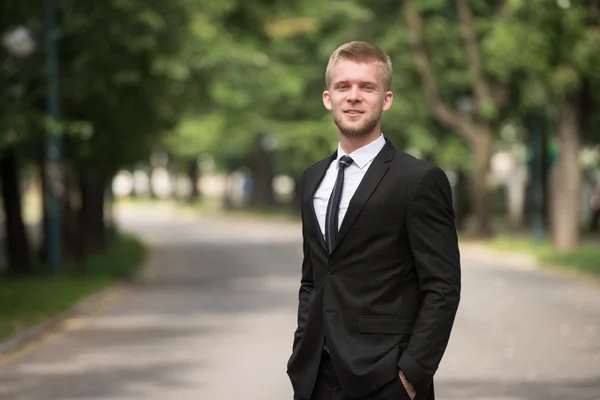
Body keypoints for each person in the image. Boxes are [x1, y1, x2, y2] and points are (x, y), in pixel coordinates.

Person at [286, 41, 461, 400]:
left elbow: (443, 286)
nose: (353, 96)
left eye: (367, 87)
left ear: (387, 99)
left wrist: (413, 374)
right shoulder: (311, 179)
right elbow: (314, 278)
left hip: (387, 379)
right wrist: (302, 346)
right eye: (343, 86)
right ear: (327, 98)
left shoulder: (418, 180)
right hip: (315, 378)